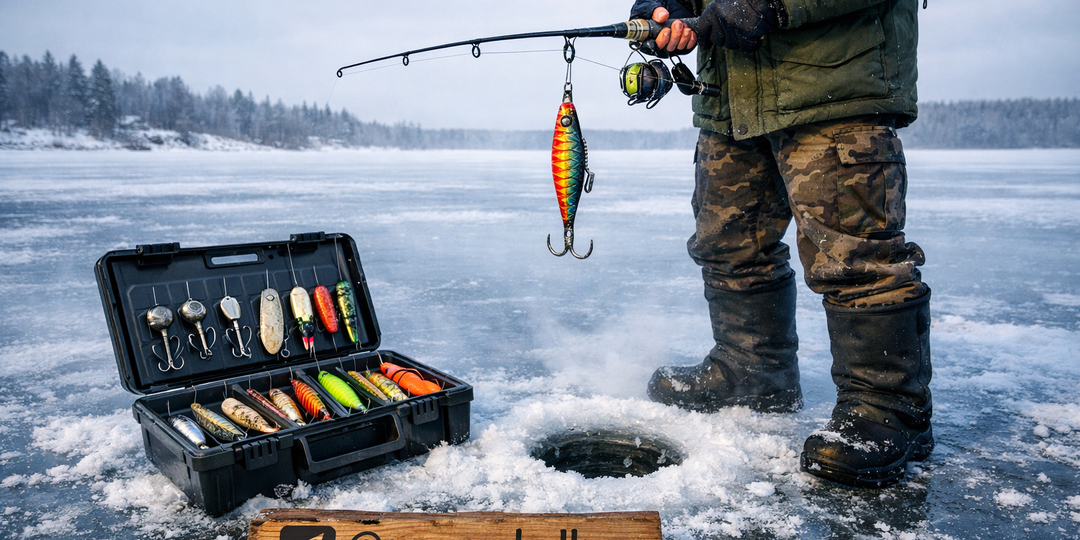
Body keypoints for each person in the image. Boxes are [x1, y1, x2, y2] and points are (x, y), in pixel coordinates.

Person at [631, 0, 932, 488]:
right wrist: (666, 7)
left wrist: (766, 6)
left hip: (832, 86)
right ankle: (751, 372)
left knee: (857, 261)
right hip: (728, 97)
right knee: (728, 246)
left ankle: (887, 408)